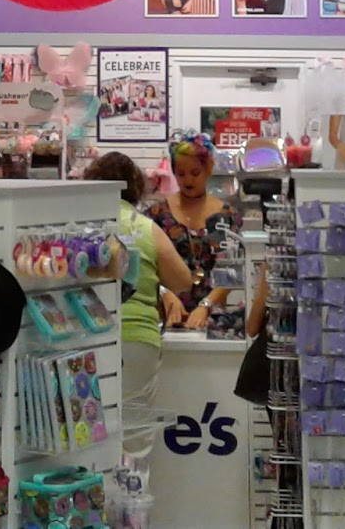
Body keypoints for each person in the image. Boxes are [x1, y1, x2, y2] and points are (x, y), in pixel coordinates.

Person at [85, 152, 193, 484]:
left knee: (86, 431)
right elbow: (183, 280)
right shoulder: (145, 228)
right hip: (137, 339)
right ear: (135, 188)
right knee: (134, 437)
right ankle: (131, 504)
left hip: (86, 337)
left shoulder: (81, 227)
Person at [142, 135, 239, 331]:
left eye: (195, 173)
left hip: (212, 316)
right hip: (165, 314)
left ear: (209, 169)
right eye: (181, 174)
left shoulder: (226, 216)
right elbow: (146, 266)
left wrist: (206, 305)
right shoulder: (157, 214)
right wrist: (164, 293)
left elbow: (233, 270)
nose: (188, 180)